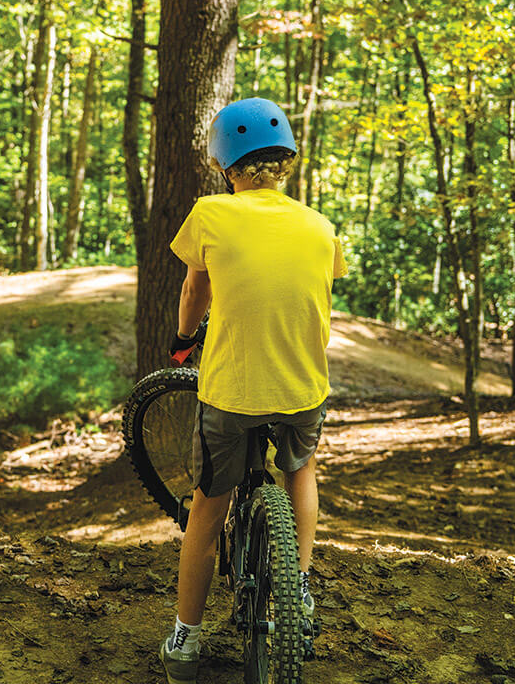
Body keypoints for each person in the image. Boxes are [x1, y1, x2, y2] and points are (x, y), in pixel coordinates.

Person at [158, 98, 348, 684]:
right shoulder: (320, 225)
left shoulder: (211, 213)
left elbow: (195, 291)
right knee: (300, 472)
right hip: (302, 390)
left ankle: (185, 643)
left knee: (208, 511)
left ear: (225, 165)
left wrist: (184, 342)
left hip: (233, 395)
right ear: (286, 160)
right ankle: (300, 587)